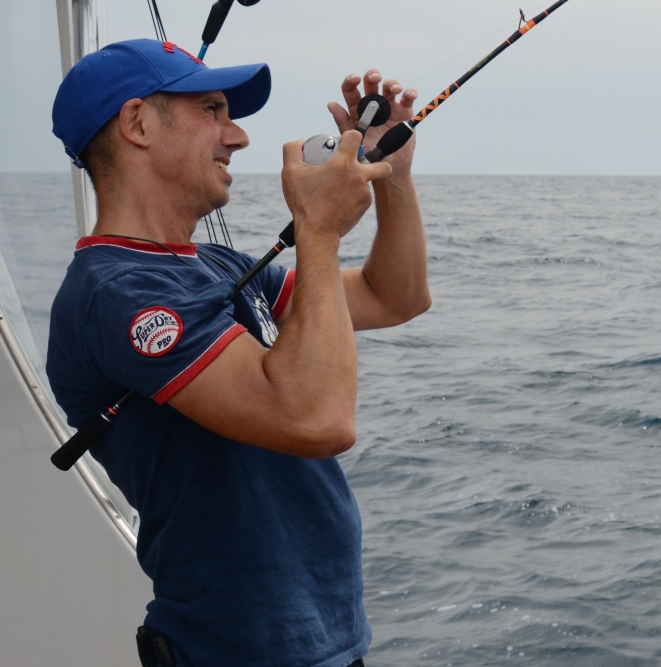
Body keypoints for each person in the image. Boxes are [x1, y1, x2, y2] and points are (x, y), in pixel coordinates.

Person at [45, 39, 431, 667]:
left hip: (327, 639)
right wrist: (318, 229)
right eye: (214, 110)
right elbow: (316, 419)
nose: (239, 136)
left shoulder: (215, 266)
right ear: (138, 124)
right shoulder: (114, 294)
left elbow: (396, 297)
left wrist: (396, 178)